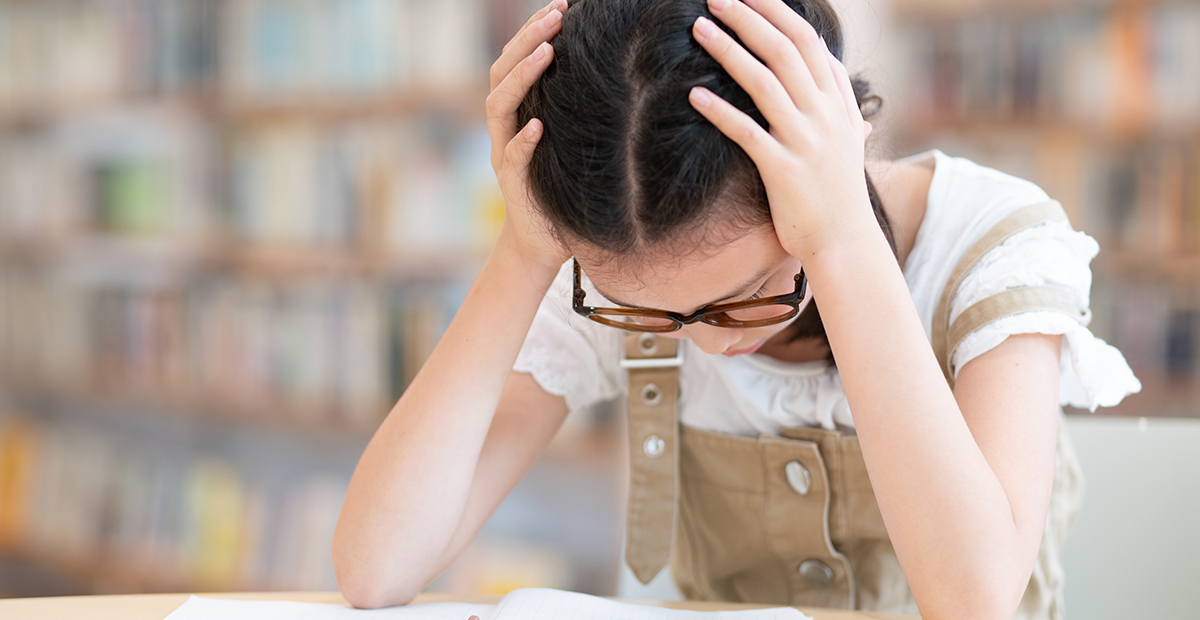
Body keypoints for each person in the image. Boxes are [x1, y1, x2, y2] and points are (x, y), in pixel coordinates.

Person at [332, 0, 1140, 618]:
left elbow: (976, 602)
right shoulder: (633, 271)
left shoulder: (993, 248)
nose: (710, 346)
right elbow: (377, 568)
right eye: (652, 314)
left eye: (747, 298)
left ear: (833, 151)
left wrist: (841, 242)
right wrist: (524, 251)